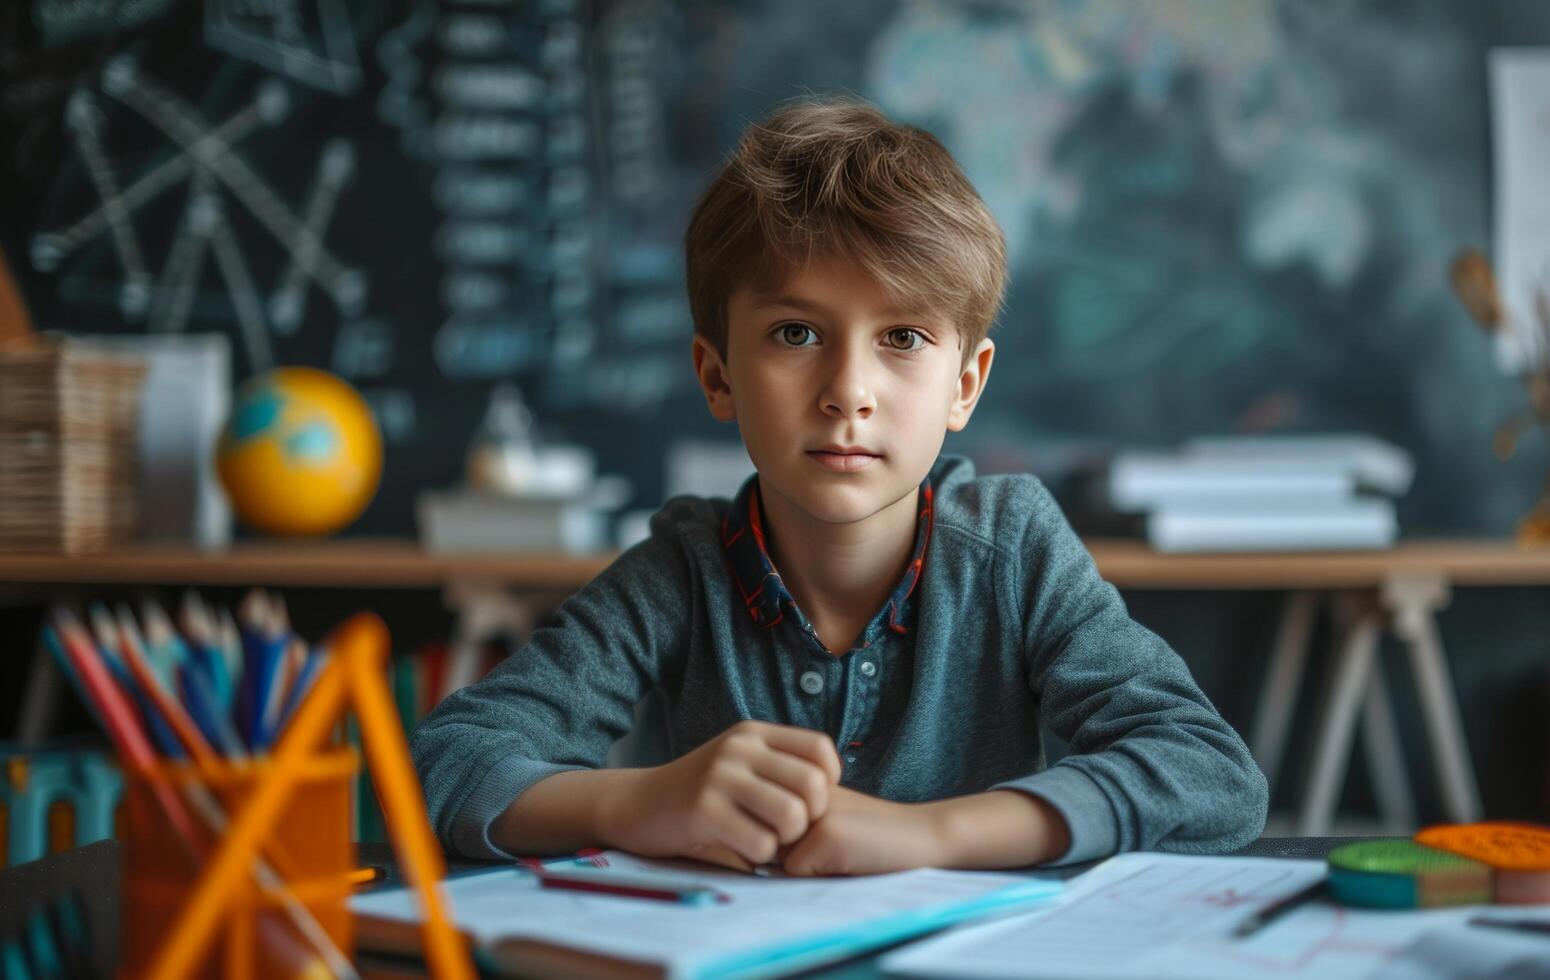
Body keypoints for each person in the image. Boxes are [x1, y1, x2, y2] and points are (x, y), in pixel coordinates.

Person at [413, 97, 1267, 876]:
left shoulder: (1012, 550)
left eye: (901, 337)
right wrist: (638, 800)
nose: (847, 391)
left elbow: (1209, 773)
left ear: (964, 386)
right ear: (717, 376)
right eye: (795, 332)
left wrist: (937, 836)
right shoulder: (678, 571)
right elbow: (448, 760)